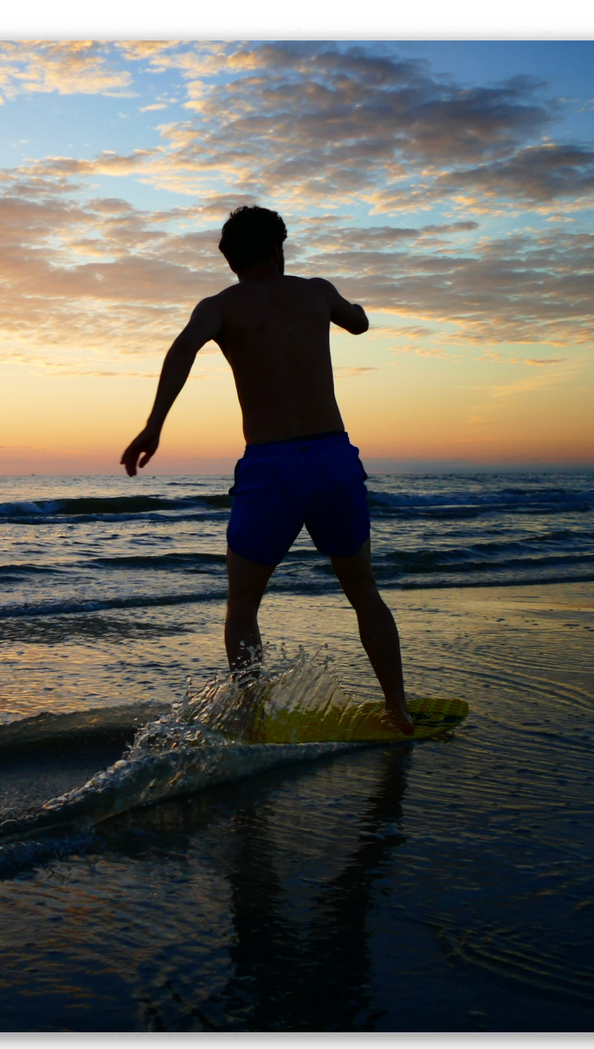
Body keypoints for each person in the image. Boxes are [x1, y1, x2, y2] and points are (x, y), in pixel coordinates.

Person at [120, 205, 412, 734]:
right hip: (330, 458)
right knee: (363, 589)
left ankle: (250, 722)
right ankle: (399, 710)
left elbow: (183, 348)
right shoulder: (316, 291)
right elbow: (360, 322)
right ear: (280, 249)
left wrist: (153, 425)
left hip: (271, 465)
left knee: (243, 603)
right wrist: (352, 307)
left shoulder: (220, 306)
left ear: (231, 261)